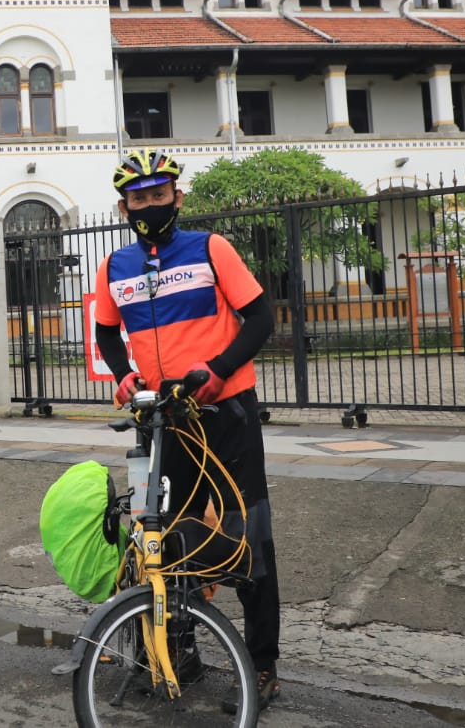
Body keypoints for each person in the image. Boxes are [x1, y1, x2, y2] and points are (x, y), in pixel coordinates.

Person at [92, 148, 281, 713]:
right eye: (139, 199)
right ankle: (181, 653)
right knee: (171, 541)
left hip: (226, 415)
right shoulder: (114, 266)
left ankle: (263, 668)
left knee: (249, 539)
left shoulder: (210, 248)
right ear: (124, 208)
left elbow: (261, 318)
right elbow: (106, 333)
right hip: (166, 422)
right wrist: (124, 376)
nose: (150, 206)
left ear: (177, 196)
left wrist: (217, 370)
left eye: (159, 195)